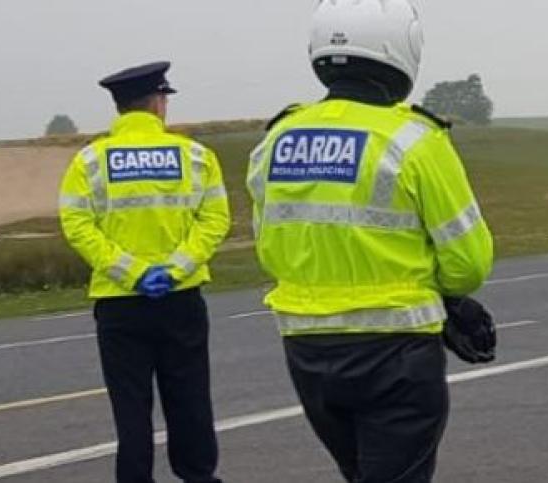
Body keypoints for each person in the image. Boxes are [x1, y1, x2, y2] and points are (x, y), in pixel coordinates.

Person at [246, 1, 494, 482]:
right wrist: (438, 291)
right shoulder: (417, 140)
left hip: (306, 350)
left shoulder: (276, 139)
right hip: (394, 351)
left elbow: (270, 247)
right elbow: (468, 263)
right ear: (400, 49)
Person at [59, 61, 230, 483]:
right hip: (180, 299)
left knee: (131, 409)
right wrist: (175, 269)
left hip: (120, 305)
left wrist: (131, 272)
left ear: (120, 107)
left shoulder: (90, 160)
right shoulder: (195, 155)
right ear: (158, 103)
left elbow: (77, 224)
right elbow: (215, 220)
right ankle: (199, 477)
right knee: (190, 401)